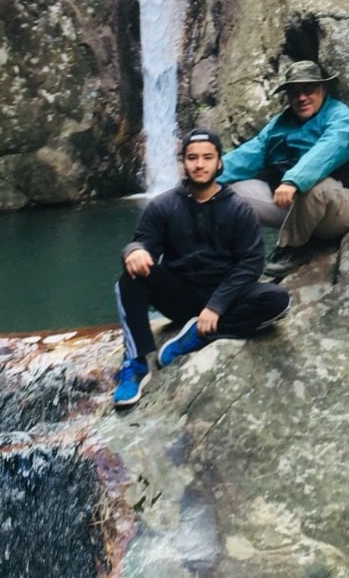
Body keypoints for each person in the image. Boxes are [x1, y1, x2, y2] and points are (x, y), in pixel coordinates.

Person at [112, 129, 290, 408]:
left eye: (207, 157)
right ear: (183, 163)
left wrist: (216, 306)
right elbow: (142, 241)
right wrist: (134, 252)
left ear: (219, 163)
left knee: (278, 300)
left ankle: (198, 335)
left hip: (225, 300)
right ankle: (135, 363)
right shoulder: (163, 205)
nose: (199, 164)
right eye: (192, 157)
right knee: (130, 277)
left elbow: (251, 262)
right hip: (179, 296)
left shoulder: (239, 208)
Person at [221, 61, 349, 279]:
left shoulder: (340, 118)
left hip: (339, 210)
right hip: (294, 208)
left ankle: (293, 249)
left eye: (308, 90)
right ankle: (231, 259)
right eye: (294, 92)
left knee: (317, 186)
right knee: (226, 192)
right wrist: (206, 177)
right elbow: (249, 154)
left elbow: (327, 151)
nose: (301, 98)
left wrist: (293, 181)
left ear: (322, 90)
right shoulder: (281, 123)